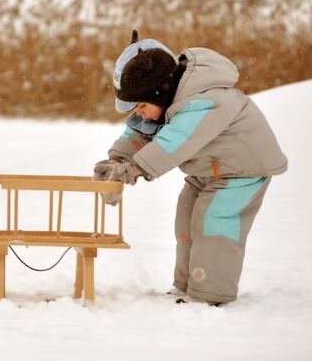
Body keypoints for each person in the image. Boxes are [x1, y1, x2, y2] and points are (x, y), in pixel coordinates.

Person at [93, 30, 287, 306]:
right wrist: (116, 162)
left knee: (213, 222)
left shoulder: (208, 100)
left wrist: (133, 171)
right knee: (185, 220)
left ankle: (209, 294)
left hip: (242, 172)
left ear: (160, 93)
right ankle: (186, 286)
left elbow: (175, 143)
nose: (138, 112)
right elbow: (140, 133)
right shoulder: (166, 101)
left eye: (142, 105)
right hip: (207, 170)